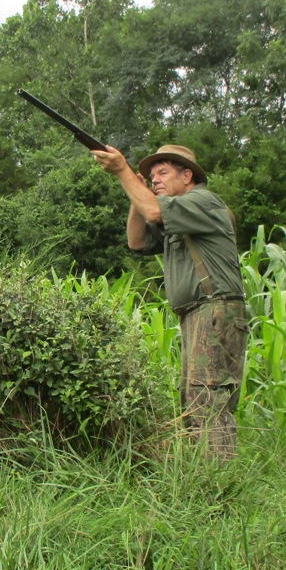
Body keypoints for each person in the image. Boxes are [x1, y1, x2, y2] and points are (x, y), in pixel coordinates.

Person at [92, 144, 248, 458]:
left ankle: (219, 490)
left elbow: (153, 210)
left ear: (187, 175)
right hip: (197, 313)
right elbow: (136, 241)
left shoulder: (202, 201)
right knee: (195, 401)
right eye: (151, 176)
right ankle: (205, 484)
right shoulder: (178, 216)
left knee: (208, 403)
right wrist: (135, 187)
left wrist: (124, 172)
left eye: (163, 173)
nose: (156, 180)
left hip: (215, 310)